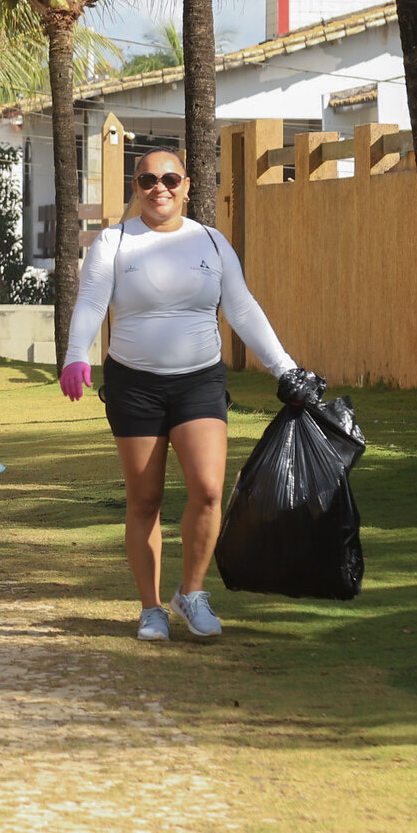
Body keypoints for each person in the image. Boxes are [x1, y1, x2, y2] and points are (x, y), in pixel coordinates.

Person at [60, 149, 301, 642]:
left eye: (169, 178)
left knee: (209, 490)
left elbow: (242, 307)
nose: (159, 188)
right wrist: (74, 355)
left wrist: (287, 369)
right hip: (134, 385)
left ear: (187, 184)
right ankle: (150, 608)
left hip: (199, 381)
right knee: (144, 499)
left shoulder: (210, 241)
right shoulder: (115, 241)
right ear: (135, 186)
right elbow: (90, 301)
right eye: (147, 180)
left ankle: (191, 594)